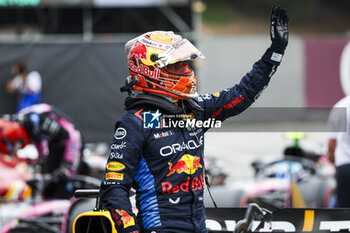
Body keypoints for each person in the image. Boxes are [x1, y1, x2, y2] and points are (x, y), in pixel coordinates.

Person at [100, 6, 289, 233]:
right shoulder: (134, 124)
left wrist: (275, 52)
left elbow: (242, 94)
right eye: (177, 65)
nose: (187, 70)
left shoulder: (194, 109)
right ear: (151, 71)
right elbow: (113, 187)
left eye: (186, 63)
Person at [0, 103, 83, 199]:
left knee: (63, 182)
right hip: (55, 145)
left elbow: (68, 136)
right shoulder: (22, 123)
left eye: (15, 146)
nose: (17, 148)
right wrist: (40, 166)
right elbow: (40, 144)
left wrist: (67, 165)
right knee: (47, 184)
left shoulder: (36, 120)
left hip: (73, 141)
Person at [327, 95, 350, 207]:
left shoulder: (341, 106)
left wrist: (334, 162)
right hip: (344, 166)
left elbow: (332, 144)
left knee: (344, 213)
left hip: (345, 166)